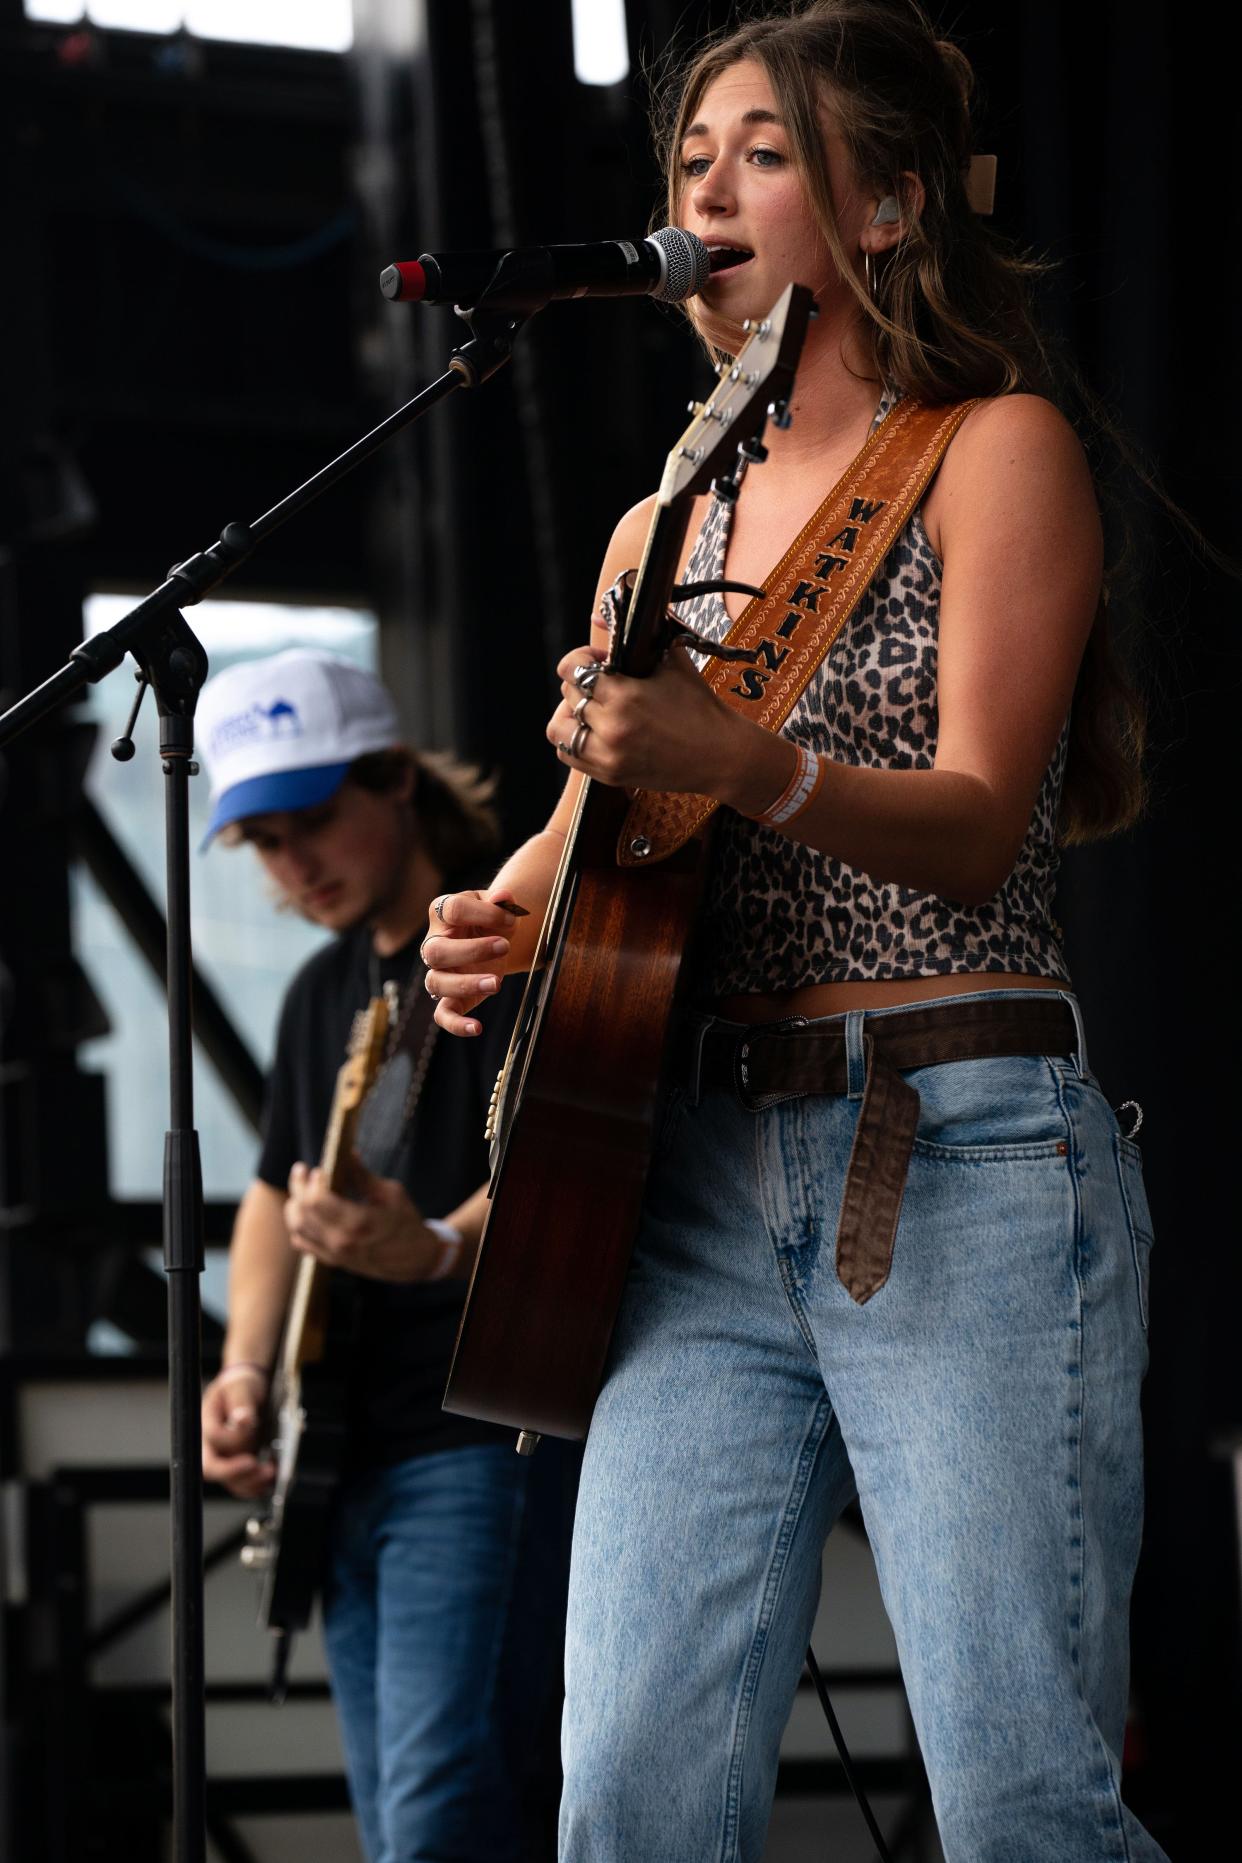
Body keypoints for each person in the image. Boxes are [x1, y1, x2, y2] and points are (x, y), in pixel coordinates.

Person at [422, 3, 1168, 1859]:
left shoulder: (994, 449)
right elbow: (612, 815)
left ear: (891, 205)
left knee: (1020, 1796)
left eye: (762, 153)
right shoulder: (647, 529)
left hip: (959, 1144)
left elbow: (983, 814)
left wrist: (745, 761)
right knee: (630, 1798)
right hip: (681, 1171)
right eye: (689, 162)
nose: (709, 194)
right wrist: (508, 912)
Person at [197, 648, 573, 1863]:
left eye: (311, 822)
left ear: (397, 779)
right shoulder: (320, 990)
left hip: (473, 1439)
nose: (293, 863)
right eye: (261, 842)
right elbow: (273, 1193)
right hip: (339, 1451)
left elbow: (576, 1165)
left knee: (440, 1820)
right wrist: (246, 1371)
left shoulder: (507, 937)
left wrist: (436, 1249)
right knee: (403, 1825)